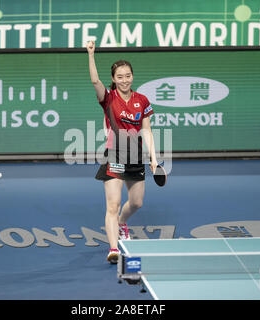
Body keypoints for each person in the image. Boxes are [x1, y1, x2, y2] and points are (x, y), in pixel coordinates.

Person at [87, 40, 158, 264]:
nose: (124, 80)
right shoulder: (108, 98)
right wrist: (91, 53)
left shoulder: (142, 100)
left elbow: (146, 130)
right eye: (120, 77)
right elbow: (95, 80)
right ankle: (113, 248)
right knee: (113, 204)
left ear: (132, 76)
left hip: (135, 156)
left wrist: (154, 158)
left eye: (128, 75)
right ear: (114, 79)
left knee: (137, 203)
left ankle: (122, 223)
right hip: (114, 155)